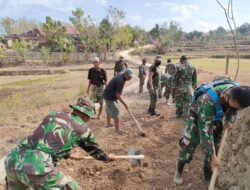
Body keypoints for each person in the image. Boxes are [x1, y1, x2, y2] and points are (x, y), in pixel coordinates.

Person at [5, 98, 115, 190]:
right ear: (86, 116)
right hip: (36, 166)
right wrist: (107, 157)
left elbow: (45, 142)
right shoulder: (83, 129)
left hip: (13, 159)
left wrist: (69, 155)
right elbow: (96, 151)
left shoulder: (53, 115)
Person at [173, 81, 250, 185]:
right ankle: (179, 169)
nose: (236, 109)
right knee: (188, 146)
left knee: (215, 147)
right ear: (228, 96)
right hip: (197, 117)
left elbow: (232, 110)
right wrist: (212, 155)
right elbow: (205, 133)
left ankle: (208, 175)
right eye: (236, 106)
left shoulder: (238, 91)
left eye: (239, 108)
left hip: (216, 118)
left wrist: (228, 120)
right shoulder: (208, 102)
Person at [103, 68, 133, 135]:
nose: (130, 78)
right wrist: (125, 104)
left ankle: (108, 124)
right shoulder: (121, 81)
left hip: (108, 94)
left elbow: (117, 93)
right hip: (109, 97)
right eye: (129, 76)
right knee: (116, 110)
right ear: (125, 74)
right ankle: (117, 130)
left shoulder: (121, 74)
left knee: (109, 108)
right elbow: (118, 95)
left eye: (131, 76)